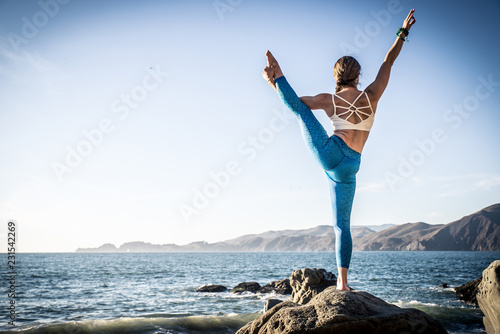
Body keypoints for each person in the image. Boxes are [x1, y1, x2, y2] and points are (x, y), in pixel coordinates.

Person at [262, 9, 416, 291]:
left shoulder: (329, 99)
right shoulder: (373, 95)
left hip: (331, 153)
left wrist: (274, 82)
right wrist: (402, 32)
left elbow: (296, 103)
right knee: (342, 225)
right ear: (358, 76)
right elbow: (388, 62)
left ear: (336, 76)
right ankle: (343, 283)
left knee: (301, 113)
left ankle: (279, 73)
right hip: (352, 164)